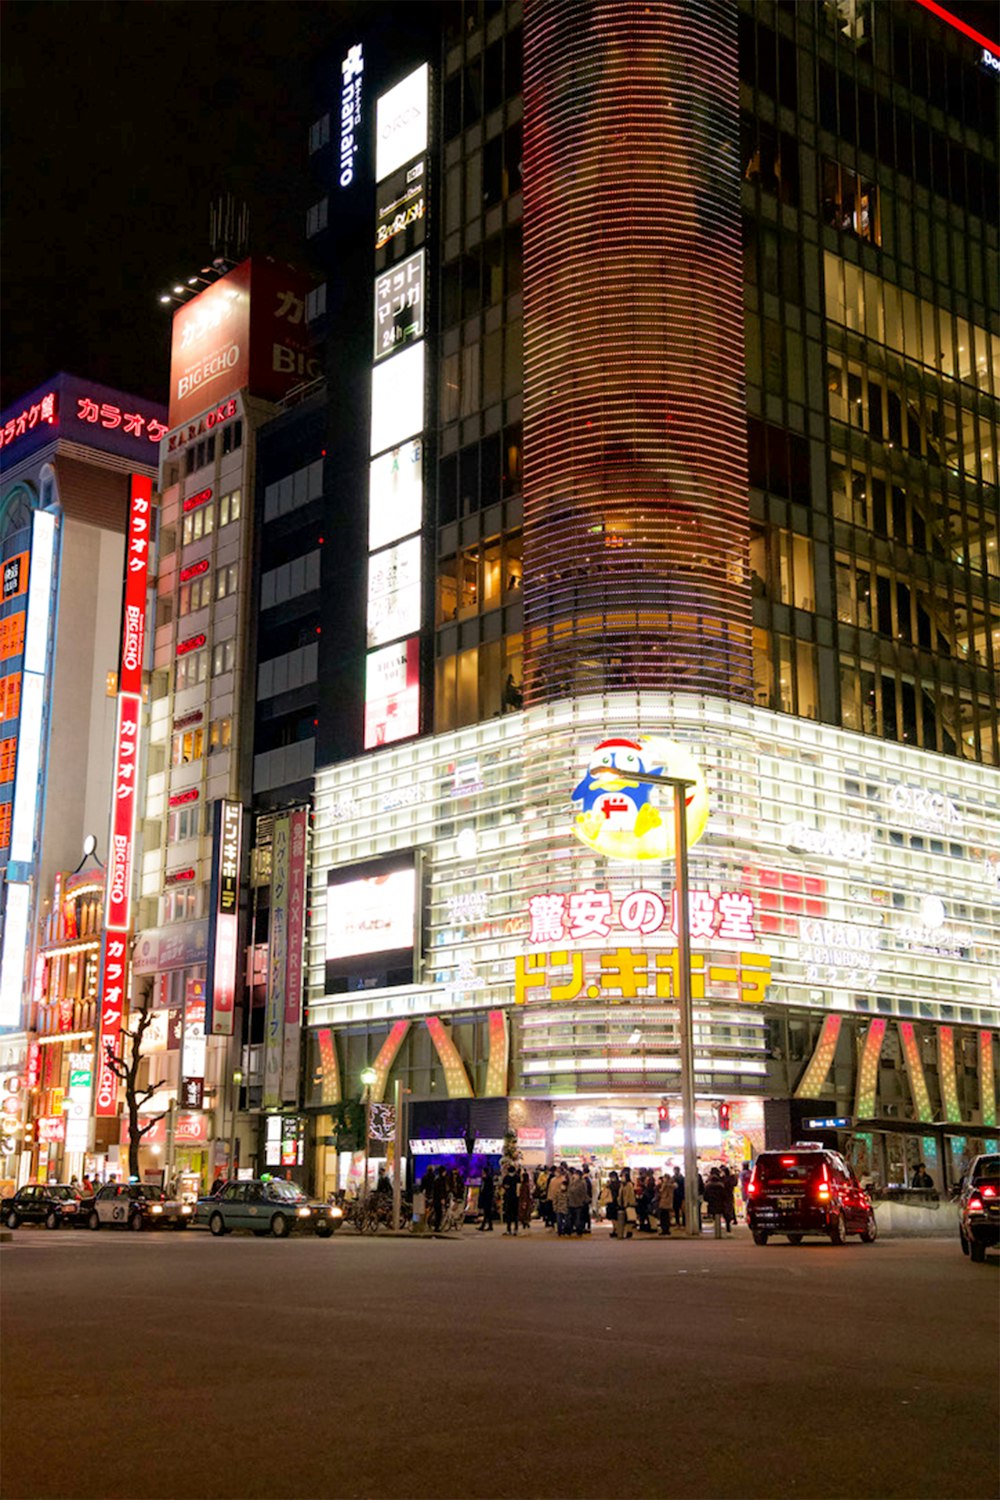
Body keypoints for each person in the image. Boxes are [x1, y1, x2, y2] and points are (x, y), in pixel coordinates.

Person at [704, 1168, 727, 1236]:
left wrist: (708, 1199)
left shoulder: (708, 1186)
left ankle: (716, 1228)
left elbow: (705, 1196)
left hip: (712, 1203)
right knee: (719, 1214)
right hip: (719, 1203)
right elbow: (724, 1195)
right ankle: (718, 1229)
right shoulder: (721, 1186)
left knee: (714, 1214)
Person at [567, 1168, 589, 1237]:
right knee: (571, 1218)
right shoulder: (572, 1182)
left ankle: (579, 1231)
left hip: (579, 1202)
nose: (574, 1176)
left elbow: (576, 1190)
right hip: (571, 1202)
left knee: (578, 1219)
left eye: (576, 1174)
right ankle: (570, 1231)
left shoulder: (582, 1182)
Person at [616, 1168, 636, 1239]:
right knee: (624, 1219)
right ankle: (625, 1232)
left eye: (623, 1177)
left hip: (629, 1204)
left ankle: (629, 1231)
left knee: (630, 1219)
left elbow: (629, 1195)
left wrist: (627, 1203)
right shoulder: (622, 1185)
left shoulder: (629, 1185)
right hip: (622, 1204)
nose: (622, 1178)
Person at [502, 1165, 520, 1234]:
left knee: (508, 1214)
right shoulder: (517, 1177)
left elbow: (504, 1186)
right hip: (515, 1198)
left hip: (508, 1197)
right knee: (515, 1214)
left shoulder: (506, 1178)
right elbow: (518, 1188)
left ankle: (508, 1229)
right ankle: (516, 1229)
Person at [720, 1165, 737, 1232]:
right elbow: (735, 1183)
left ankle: (729, 1222)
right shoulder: (731, 1178)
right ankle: (732, 1220)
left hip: (724, 1196)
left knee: (726, 1209)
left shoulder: (723, 1179)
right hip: (730, 1195)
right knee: (731, 1207)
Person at [478, 1166, 495, 1231]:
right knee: (487, 1213)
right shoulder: (484, 1179)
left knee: (487, 1212)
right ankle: (489, 1226)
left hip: (487, 1198)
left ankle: (484, 1226)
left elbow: (489, 1189)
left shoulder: (488, 1179)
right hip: (485, 1198)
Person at [432, 1166, 448, 1232]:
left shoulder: (437, 1179)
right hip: (438, 1199)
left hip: (436, 1199)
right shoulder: (441, 1180)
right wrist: (442, 1198)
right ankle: (437, 1227)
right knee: (439, 1213)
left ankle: (437, 1226)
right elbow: (441, 1190)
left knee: (438, 1213)